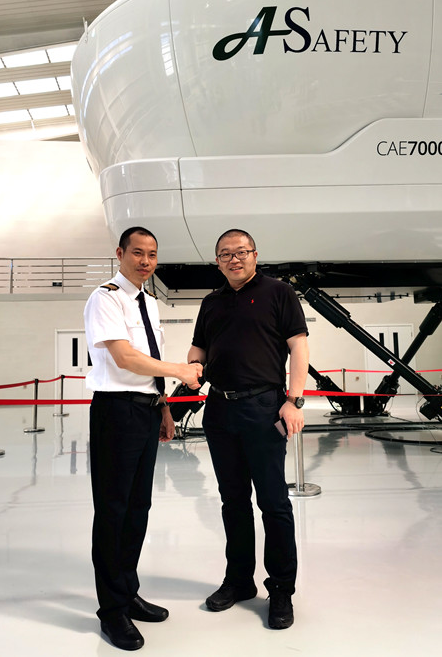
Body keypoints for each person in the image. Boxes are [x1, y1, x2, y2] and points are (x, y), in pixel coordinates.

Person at [84, 226, 203, 651]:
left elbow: (148, 360)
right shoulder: (106, 298)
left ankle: (127, 591)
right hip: (116, 411)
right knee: (113, 510)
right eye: (137, 252)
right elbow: (125, 357)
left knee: (138, 508)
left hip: (146, 409)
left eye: (152, 254)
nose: (145, 261)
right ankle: (111, 611)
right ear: (120, 253)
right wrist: (180, 371)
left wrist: (164, 407)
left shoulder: (148, 302)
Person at [187, 228, 309, 630]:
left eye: (241, 252)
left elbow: (298, 345)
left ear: (255, 254)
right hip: (219, 410)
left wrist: (294, 400)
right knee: (233, 501)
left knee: (273, 502)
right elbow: (199, 349)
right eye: (226, 254)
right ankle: (239, 581)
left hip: (263, 407)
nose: (234, 259)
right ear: (217, 262)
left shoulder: (278, 292)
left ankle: (281, 590)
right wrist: (189, 370)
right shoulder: (211, 302)